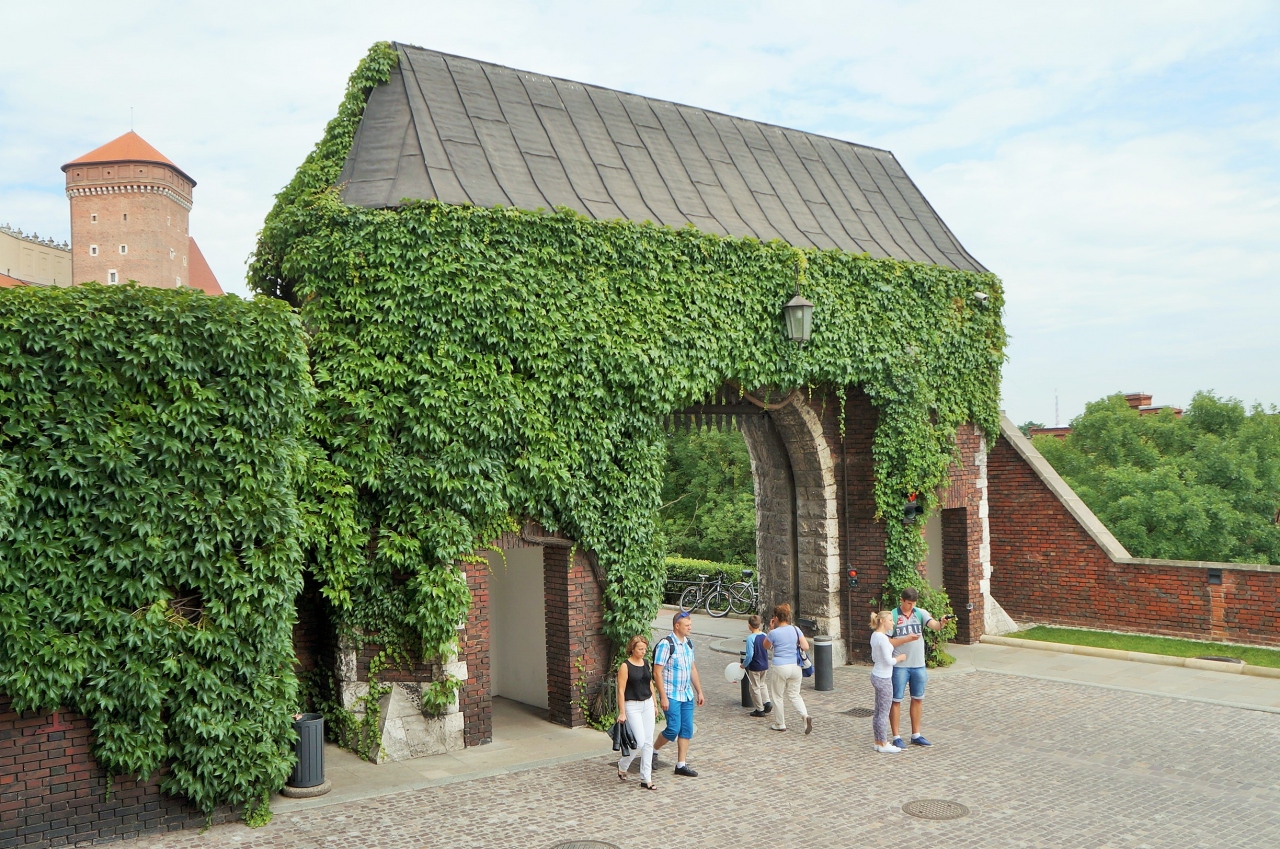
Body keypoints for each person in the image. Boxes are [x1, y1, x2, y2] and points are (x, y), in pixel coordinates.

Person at [888, 587, 952, 748]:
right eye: (908, 603)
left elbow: (935, 625)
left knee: (918, 698)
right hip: (900, 666)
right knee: (896, 700)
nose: (911, 606)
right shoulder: (893, 616)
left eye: (914, 603)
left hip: (918, 665)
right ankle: (896, 736)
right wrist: (906, 639)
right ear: (902, 600)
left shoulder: (920, 613)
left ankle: (916, 734)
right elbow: (887, 641)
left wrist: (942, 623)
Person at [652, 610, 705, 777]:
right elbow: (657, 672)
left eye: (690, 625)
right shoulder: (666, 645)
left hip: (686, 694)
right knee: (673, 729)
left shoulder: (689, 644)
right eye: (687, 625)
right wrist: (663, 697)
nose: (690, 628)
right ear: (677, 626)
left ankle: (681, 764)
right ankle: (654, 750)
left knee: (686, 729)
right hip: (671, 694)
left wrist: (699, 691)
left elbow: (692, 669)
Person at [869, 610, 919, 753]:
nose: (893, 623)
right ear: (882, 621)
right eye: (890, 620)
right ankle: (883, 743)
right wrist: (900, 658)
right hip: (883, 677)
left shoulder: (875, 636)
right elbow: (889, 661)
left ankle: (878, 741)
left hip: (876, 674)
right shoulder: (883, 639)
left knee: (878, 710)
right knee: (884, 712)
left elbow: (874, 657)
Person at [762, 603, 813, 735]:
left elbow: (765, 646)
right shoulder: (796, 629)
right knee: (795, 694)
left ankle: (780, 723)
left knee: (778, 696)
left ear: (776, 618)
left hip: (780, 666)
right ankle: (805, 715)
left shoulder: (774, 633)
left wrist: (770, 629)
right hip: (795, 666)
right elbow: (806, 646)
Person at [615, 635, 657, 789]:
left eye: (644, 649)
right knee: (639, 741)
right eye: (640, 649)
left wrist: (655, 704)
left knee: (648, 742)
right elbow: (621, 690)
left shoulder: (645, 663)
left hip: (647, 703)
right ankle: (623, 764)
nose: (643, 651)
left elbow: (649, 683)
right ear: (632, 649)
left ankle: (646, 778)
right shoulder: (625, 666)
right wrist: (622, 712)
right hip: (632, 705)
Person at [740, 614, 772, 717]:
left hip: (755, 666)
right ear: (760, 624)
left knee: (755, 687)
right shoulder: (764, 635)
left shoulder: (750, 638)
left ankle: (759, 709)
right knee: (762, 684)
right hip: (764, 664)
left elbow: (749, 655)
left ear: (749, 625)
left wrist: (744, 664)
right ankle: (767, 701)